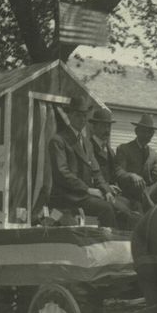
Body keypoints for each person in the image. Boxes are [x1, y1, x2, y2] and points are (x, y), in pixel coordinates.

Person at [48, 95, 116, 227]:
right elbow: (62, 173)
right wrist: (88, 190)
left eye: (85, 116)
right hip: (67, 196)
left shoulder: (86, 143)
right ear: (70, 116)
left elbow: (96, 172)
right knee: (106, 209)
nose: (82, 119)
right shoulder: (59, 140)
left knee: (117, 205)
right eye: (78, 115)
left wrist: (106, 190)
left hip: (82, 195)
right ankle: (106, 243)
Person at [88, 107, 142, 229]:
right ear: (94, 127)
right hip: (97, 193)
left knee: (136, 205)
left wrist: (129, 176)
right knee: (128, 214)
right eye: (103, 126)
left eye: (109, 126)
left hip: (110, 192)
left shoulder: (109, 150)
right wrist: (107, 187)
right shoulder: (88, 147)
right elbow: (91, 174)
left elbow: (116, 171)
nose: (107, 130)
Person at [115, 113, 157, 210]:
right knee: (141, 188)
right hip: (132, 192)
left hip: (149, 191)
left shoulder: (153, 154)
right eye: (144, 131)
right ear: (136, 131)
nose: (147, 135)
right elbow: (118, 172)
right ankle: (154, 210)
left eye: (150, 132)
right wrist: (131, 175)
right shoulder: (124, 149)